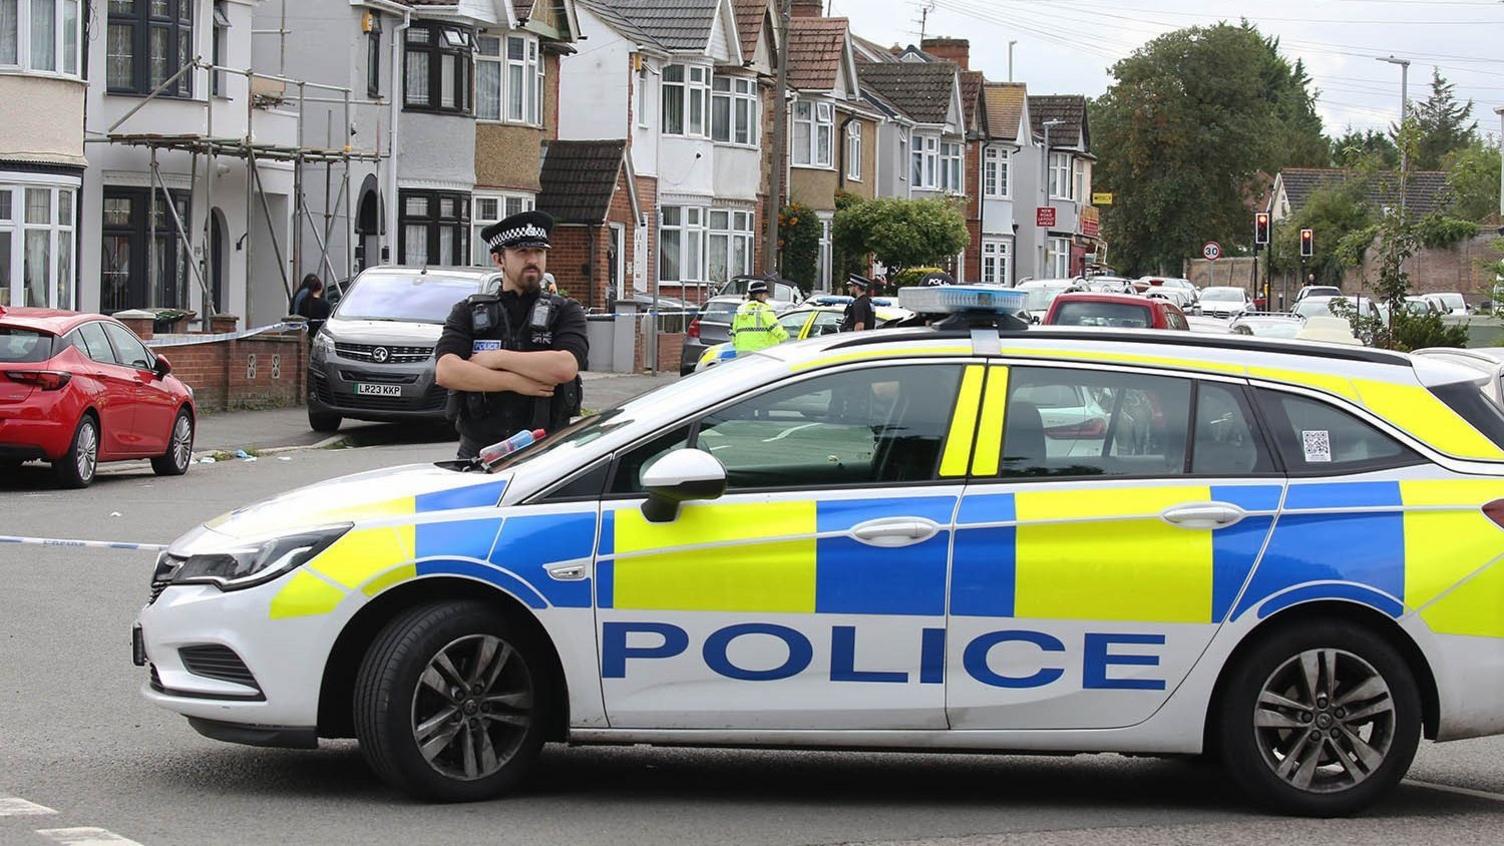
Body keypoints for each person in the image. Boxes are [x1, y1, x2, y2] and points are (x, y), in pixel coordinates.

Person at [434, 210, 589, 461]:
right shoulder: (468, 312)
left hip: (548, 452)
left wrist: (496, 359)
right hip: (480, 451)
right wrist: (516, 383)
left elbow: (564, 367)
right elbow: (447, 371)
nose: (532, 260)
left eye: (539, 252)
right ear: (499, 259)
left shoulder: (565, 311)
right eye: (522, 252)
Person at [730, 279, 789, 354]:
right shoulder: (763, 308)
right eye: (765, 294)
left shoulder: (741, 309)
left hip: (742, 349)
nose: (767, 297)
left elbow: (734, 331)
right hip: (761, 350)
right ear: (759, 295)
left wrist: (736, 344)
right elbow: (774, 327)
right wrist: (786, 338)